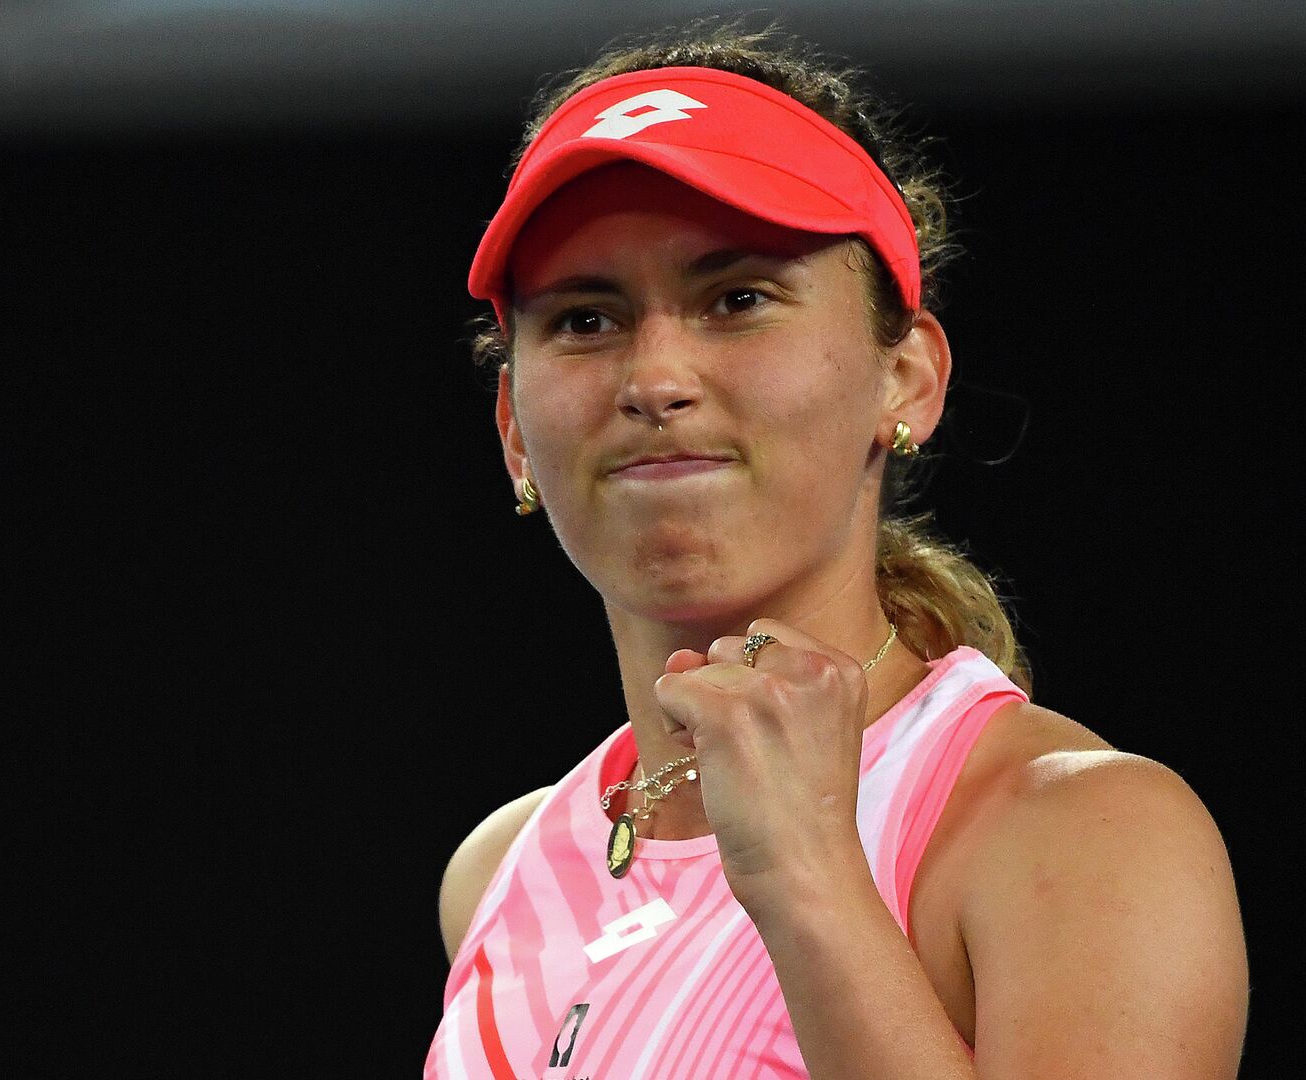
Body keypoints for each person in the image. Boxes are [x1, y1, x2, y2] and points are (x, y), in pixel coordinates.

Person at [426, 22, 1248, 1079]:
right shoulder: (500, 873)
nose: (653, 379)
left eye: (737, 299)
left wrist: (806, 874)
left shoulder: (1084, 835)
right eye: (587, 319)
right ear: (512, 432)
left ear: (906, 379)